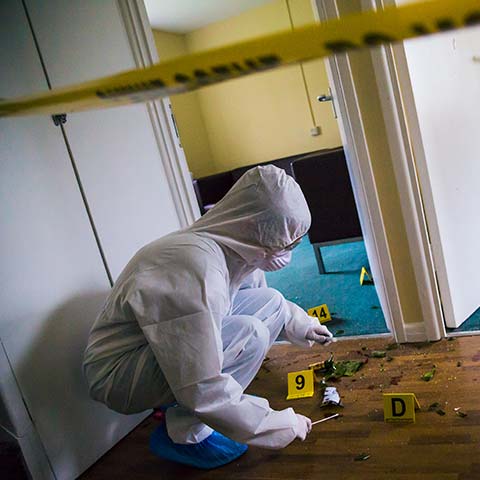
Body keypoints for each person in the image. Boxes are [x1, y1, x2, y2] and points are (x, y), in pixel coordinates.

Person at [83, 165, 333, 469]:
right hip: (119, 374)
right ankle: (186, 436)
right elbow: (204, 387)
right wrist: (278, 424)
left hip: (150, 350)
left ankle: (185, 416)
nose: (287, 252)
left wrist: (301, 324)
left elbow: (260, 301)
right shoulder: (195, 268)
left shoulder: (233, 246)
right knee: (249, 334)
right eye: (284, 243)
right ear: (256, 228)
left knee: (270, 302)